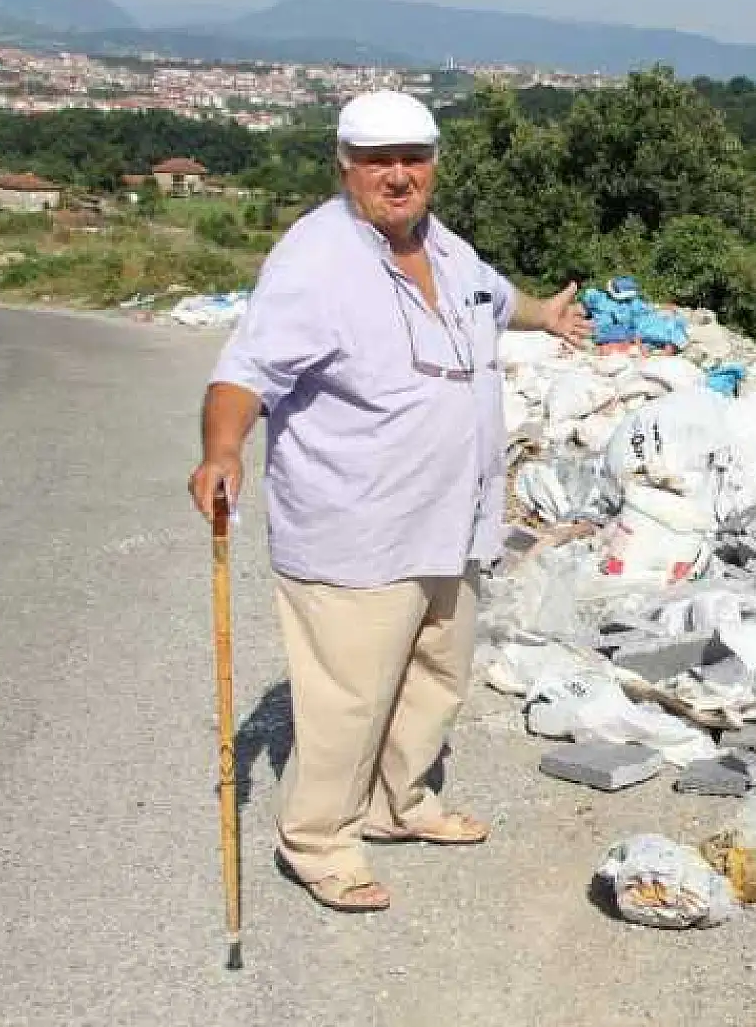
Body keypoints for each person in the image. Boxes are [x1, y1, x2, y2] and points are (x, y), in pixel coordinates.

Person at [187, 89, 590, 913]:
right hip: (357, 528)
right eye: (380, 162)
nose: (399, 176)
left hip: (453, 518)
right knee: (350, 696)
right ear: (346, 166)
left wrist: (545, 314)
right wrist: (222, 448)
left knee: (436, 672)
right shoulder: (316, 261)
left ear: (434, 163)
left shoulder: (444, 248)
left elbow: (492, 297)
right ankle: (318, 842)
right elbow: (244, 372)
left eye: (414, 158)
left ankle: (399, 804)